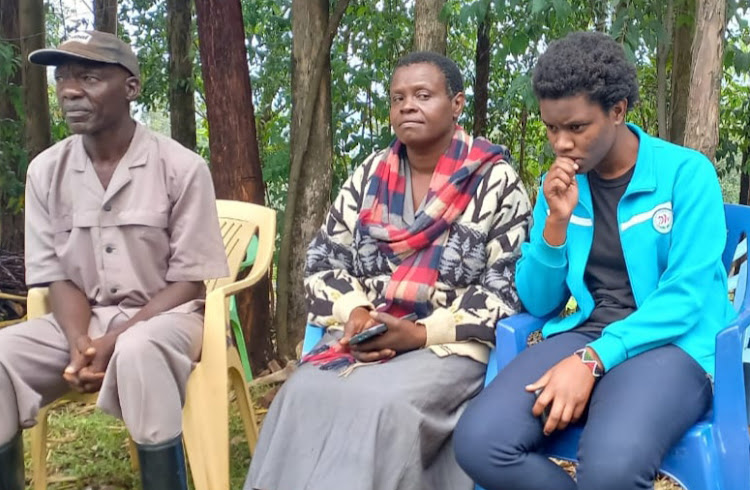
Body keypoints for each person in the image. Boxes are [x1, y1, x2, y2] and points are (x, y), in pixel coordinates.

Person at [453, 31, 735, 490]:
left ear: (618, 110)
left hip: (674, 345)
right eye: (551, 128)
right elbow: (538, 301)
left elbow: (688, 297)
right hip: (589, 329)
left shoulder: (685, 174)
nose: (561, 143)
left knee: (610, 470)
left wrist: (592, 359)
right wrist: (554, 230)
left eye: (577, 127)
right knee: (480, 442)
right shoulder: (560, 185)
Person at [244, 51, 531, 490]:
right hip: (367, 336)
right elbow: (322, 259)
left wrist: (418, 334)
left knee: (382, 405)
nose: (407, 106)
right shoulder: (370, 175)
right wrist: (357, 314)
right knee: (301, 393)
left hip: (448, 346)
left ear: (456, 105)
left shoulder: (495, 181)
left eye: (422, 95)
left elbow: (507, 288)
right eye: (398, 98)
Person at [0, 31, 228, 490]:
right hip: (85, 323)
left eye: (87, 77)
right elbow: (57, 276)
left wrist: (116, 339)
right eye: (63, 78)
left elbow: (189, 284)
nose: (68, 90)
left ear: (130, 89)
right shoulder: (46, 171)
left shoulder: (181, 168)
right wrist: (79, 343)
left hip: (170, 317)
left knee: (139, 348)